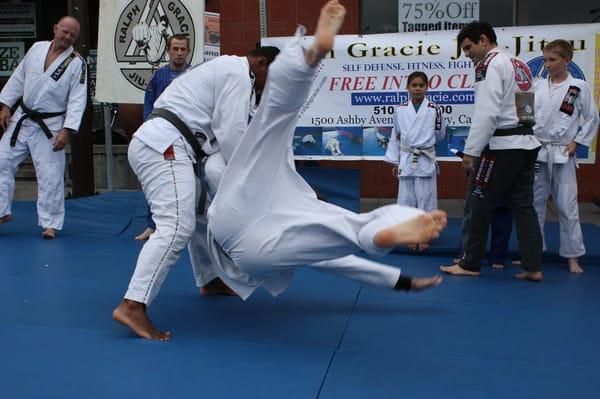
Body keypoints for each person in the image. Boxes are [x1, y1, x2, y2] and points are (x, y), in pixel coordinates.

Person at [205, 1, 445, 313]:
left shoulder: (220, 165)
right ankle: (305, 61)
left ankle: (302, 62)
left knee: (269, 128)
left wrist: (399, 280)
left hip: (241, 240)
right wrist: (400, 281)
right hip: (259, 235)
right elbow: (338, 262)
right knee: (340, 226)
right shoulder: (270, 176)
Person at [112, 39, 281, 339]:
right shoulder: (238, 72)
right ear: (262, 63)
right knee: (176, 225)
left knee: (199, 216)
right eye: (274, 78)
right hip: (165, 145)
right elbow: (232, 136)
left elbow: (224, 136)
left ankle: (210, 278)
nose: (269, 88)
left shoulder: (229, 72)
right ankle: (133, 304)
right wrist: (256, 182)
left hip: (170, 144)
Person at [440, 21, 543, 281]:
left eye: (468, 47)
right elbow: (526, 107)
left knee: (478, 203)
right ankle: (533, 266)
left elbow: (487, 113)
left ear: (484, 40)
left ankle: (470, 263)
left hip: (501, 148)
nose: (467, 54)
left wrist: (471, 153)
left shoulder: (489, 64)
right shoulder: (518, 64)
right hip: (525, 143)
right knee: (523, 207)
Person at [0, 16, 87, 239]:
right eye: (64, 31)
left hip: (51, 124)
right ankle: (1, 211)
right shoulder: (37, 48)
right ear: (55, 28)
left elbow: (78, 99)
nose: (67, 37)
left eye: (72, 35)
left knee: (50, 174)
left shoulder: (77, 63)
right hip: (23, 117)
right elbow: (18, 78)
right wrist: (6, 105)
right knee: (2, 160)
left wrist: (67, 130)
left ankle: (51, 223)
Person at [531, 39, 599, 273]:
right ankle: (533, 253)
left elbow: (592, 118)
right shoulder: (537, 85)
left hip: (563, 152)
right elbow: (526, 114)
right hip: (538, 151)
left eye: (552, 59)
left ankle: (573, 256)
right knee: (534, 204)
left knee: (567, 206)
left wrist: (577, 141)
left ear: (567, 60)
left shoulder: (578, 87)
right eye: (545, 60)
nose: (547, 64)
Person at [135, 34, 191, 241]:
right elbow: (148, 106)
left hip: (188, 137)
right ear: (168, 50)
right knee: (158, 180)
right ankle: (153, 225)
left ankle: (187, 227)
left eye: (182, 49)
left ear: (187, 51)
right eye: (175, 49)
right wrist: (152, 132)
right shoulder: (159, 76)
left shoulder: (195, 74)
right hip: (163, 136)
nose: (178, 53)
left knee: (191, 183)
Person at [385, 71, 445, 250]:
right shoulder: (400, 109)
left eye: (421, 85)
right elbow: (395, 136)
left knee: (426, 198)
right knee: (406, 198)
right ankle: (408, 234)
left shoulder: (435, 109)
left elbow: (439, 134)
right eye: (414, 85)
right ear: (408, 88)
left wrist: (424, 144)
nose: (418, 89)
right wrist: (395, 161)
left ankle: (424, 234)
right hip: (406, 157)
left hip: (425, 157)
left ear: (427, 87)